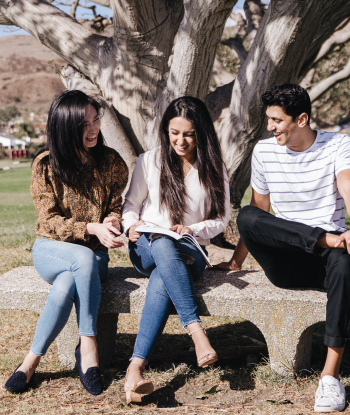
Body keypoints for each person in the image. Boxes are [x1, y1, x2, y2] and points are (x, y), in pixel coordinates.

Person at [215, 84, 350, 413]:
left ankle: (330, 376)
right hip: (286, 261)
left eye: (277, 120)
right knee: (249, 216)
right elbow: (260, 213)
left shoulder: (338, 144)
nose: (270, 127)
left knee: (344, 265)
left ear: (301, 119)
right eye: (268, 119)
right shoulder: (264, 151)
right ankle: (339, 241)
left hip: (329, 260)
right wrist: (235, 260)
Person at [4, 90, 129, 395]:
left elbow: (116, 206)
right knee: (80, 260)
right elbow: (47, 222)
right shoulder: (45, 165)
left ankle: (30, 362)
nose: (93, 128)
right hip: (51, 251)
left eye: (95, 119)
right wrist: (91, 228)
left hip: (94, 257)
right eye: (83, 124)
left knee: (68, 281)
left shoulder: (110, 161)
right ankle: (89, 346)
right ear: (64, 127)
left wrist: (112, 222)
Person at [121, 96, 231, 404]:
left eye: (189, 134)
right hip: (146, 246)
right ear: (165, 131)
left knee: (163, 276)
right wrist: (131, 224)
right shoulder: (150, 160)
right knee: (162, 241)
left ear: (201, 133)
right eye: (174, 133)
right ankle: (196, 331)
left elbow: (222, 218)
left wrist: (192, 229)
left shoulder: (213, 167)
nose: (180, 141)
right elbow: (130, 204)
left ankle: (134, 371)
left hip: (190, 251)